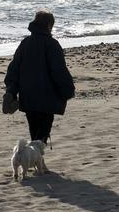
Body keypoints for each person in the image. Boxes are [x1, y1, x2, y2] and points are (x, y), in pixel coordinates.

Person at [5, 9, 75, 143]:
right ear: (49, 25)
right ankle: (32, 159)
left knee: (35, 135)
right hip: (47, 99)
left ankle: (36, 161)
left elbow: (13, 69)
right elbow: (59, 71)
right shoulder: (52, 44)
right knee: (41, 138)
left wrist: (11, 91)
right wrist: (68, 90)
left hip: (28, 98)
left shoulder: (25, 43)